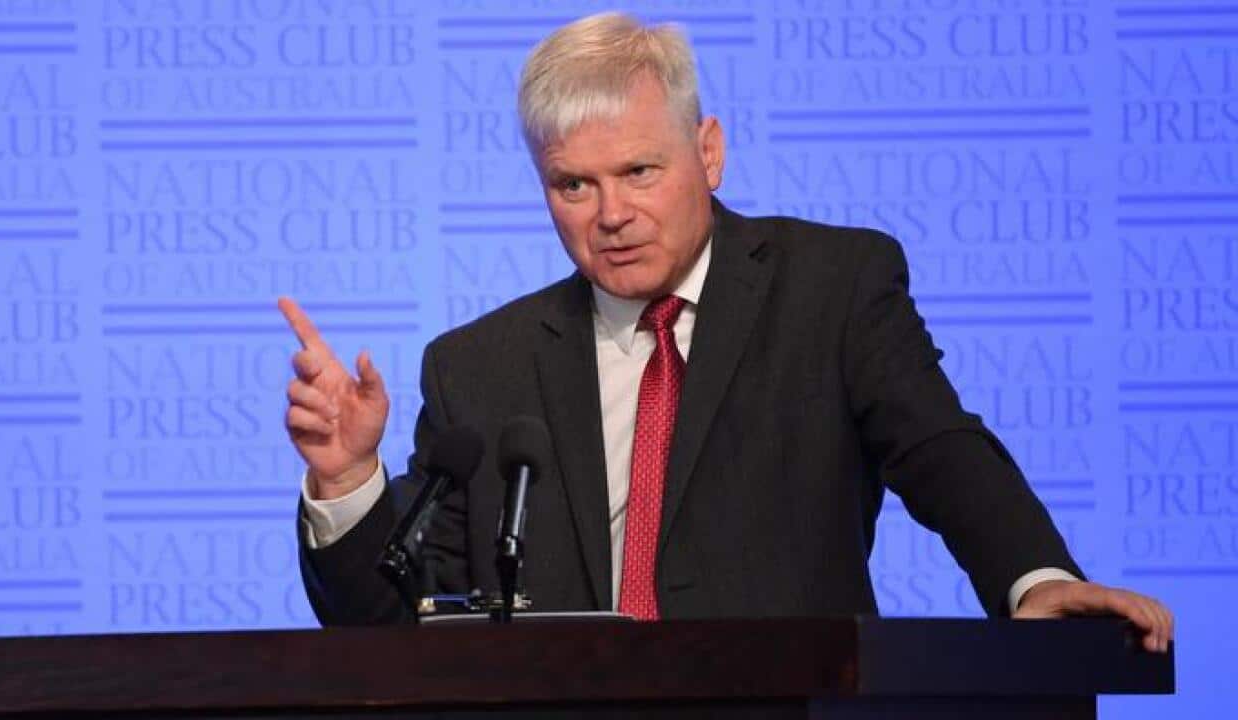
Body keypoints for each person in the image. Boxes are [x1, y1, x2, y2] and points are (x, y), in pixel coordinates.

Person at [279, 13, 1172, 651]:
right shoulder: (480, 368)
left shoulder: (831, 289)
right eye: (574, 184)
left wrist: (1036, 579)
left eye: (640, 170)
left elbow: (940, 448)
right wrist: (348, 479)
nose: (611, 214)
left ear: (708, 151)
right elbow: (392, 634)